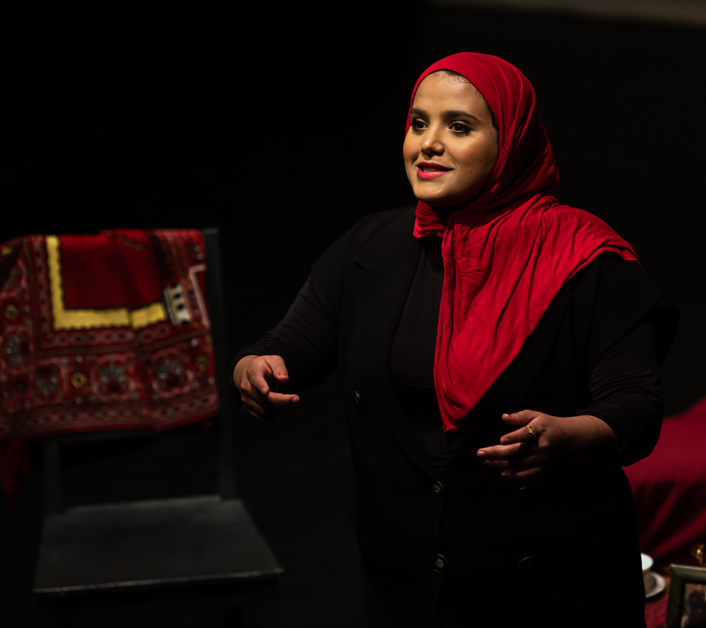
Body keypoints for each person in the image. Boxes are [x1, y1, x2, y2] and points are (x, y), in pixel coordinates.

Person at [231, 52, 674, 627]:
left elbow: (636, 407)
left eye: (458, 127)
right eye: (419, 123)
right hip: (405, 576)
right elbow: (290, 344)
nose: (429, 144)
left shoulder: (587, 261)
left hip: (547, 582)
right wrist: (256, 368)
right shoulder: (373, 246)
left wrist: (566, 435)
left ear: (509, 141)